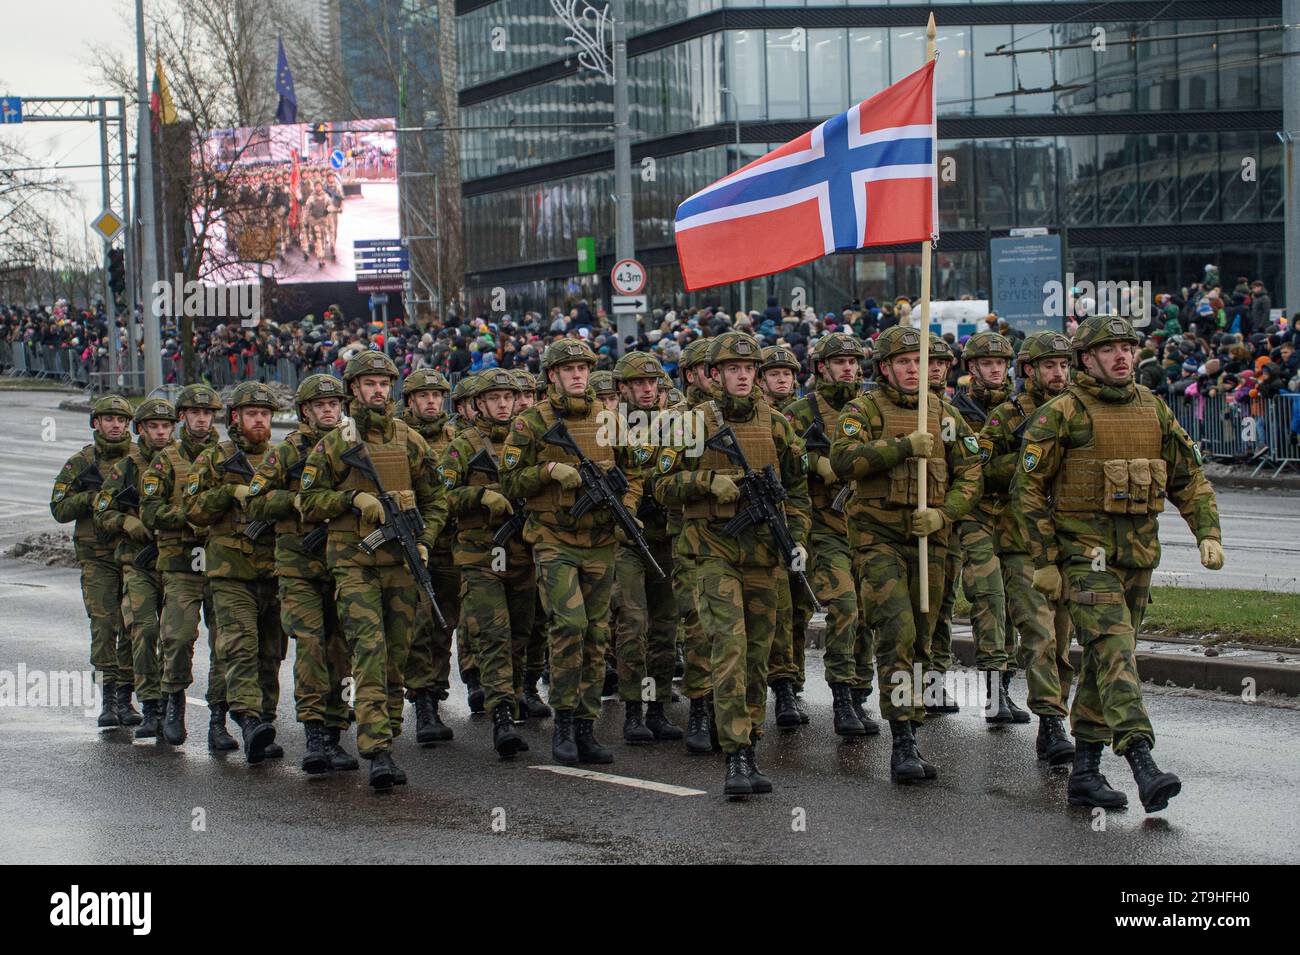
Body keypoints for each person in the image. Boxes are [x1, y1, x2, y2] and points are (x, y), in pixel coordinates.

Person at [1012, 315, 1224, 813]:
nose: (1122, 356)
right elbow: (1028, 493)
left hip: (1138, 559)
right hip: (1086, 562)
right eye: (1109, 350)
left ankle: (1085, 773)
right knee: (1115, 652)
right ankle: (1142, 759)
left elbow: (1189, 477)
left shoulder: (1152, 409)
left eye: (1127, 347)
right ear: (1087, 359)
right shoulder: (1061, 414)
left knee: (1106, 665)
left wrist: (1207, 532)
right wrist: (1044, 561)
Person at [655, 331, 810, 797]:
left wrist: (798, 539)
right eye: (733, 370)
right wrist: (706, 483)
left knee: (759, 655)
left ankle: (752, 740)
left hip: (764, 554)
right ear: (713, 375)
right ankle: (736, 755)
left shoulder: (778, 425)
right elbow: (660, 485)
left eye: (749, 370)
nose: (742, 377)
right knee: (730, 648)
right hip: (711, 551)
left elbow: (798, 491)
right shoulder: (691, 423)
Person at [830, 325, 981, 784]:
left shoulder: (945, 413)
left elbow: (971, 472)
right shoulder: (863, 410)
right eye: (903, 363)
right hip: (878, 539)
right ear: (885, 369)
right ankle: (903, 740)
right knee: (895, 629)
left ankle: (912, 720)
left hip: (929, 539)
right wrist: (901, 448)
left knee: (923, 632)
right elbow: (843, 461)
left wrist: (944, 514)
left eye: (918, 362)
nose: (913, 370)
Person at [299, 351, 449, 789]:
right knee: (370, 647)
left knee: (397, 655)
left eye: (384, 382)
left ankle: (389, 735)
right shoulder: (335, 443)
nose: (378, 390)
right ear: (354, 391)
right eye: (369, 384)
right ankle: (377, 749)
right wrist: (350, 500)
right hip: (354, 563)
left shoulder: (410, 440)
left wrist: (424, 541)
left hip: (401, 563)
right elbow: (309, 502)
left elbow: (436, 498)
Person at [500, 339, 625, 767]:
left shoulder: (608, 420)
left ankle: (586, 726)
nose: (577, 375)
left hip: (601, 541)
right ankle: (564, 722)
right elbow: (511, 481)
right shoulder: (531, 423)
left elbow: (638, 469)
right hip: (553, 539)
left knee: (596, 633)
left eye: (583, 368)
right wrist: (549, 471)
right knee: (569, 625)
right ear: (552, 375)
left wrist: (626, 503)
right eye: (568, 369)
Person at [244, 374, 358, 775]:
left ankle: (334, 731)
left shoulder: (353, 448)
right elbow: (256, 501)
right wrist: (301, 501)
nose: (329, 410)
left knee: (340, 649)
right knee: (310, 646)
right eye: (320, 405)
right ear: (306, 411)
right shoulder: (288, 452)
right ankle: (313, 733)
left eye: (334, 404)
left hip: (343, 562)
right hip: (298, 566)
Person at [981, 331, 1077, 766]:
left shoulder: (1078, 412)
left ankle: (1052, 718)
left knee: (1061, 640)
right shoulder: (1006, 416)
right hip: (1020, 541)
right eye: (1050, 366)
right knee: (1038, 633)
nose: (1059, 374)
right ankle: (1052, 722)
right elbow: (980, 471)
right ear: (1029, 370)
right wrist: (1027, 461)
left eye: (1064, 365)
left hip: (1069, 542)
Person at [781, 332, 878, 736]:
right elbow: (782, 462)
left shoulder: (871, 408)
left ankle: (860, 691)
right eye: (840, 362)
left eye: (854, 362)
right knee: (844, 606)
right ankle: (840, 695)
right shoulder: (801, 413)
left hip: (868, 525)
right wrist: (817, 463)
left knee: (869, 613)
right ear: (822, 367)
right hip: (824, 527)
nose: (849, 369)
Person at [437, 369, 537, 757]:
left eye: (508, 398)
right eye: (493, 398)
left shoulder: (528, 441)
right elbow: (440, 497)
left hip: (523, 553)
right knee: (493, 636)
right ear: (478, 404)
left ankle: (513, 697)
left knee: (520, 635)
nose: (502, 404)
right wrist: (480, 495)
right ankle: (501, 716)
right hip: (481, 556)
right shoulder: (462, 446)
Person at [186, 382, 286, 765]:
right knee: (238, 647)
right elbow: (192, 511)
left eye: (264, 415)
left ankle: (265, 719)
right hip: (230, 572)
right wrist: (228, 492)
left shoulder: (281, 458)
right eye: (251, 414)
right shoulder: (215, 459)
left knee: (271, 653)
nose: (259, 420)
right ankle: (243, 719)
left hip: (274, 570)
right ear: (236, 418)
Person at [142, 384, 233, 750]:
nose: (201, 419)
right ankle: (174, 702)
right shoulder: (166, 460)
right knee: (177, 638)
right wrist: (188, 515)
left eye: (208, 413)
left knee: (225, 644)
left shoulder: (226, 457)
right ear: (182, 417)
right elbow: (149, 511)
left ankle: (218, 719)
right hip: (181, 564)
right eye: (195, 413)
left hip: (223, 563)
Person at [949, 330, 1025, 723]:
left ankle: (1007, 688)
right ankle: (995, 691)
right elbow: (970, 468)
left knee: (1015, 603)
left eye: (1001, 363)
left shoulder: (1020, 409)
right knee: (988, 599)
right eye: (987, 364)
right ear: (972, 368)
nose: (996, 370)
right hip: (975, 513)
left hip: (1014, 517)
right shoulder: (956, 413)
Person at [50, 394, 138, 729]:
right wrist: (91, 499)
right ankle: (108, 697)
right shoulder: (81, 463)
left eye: (121, 420)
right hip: (97, 556)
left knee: (135, 625)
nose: (115, 425)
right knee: (104, 625)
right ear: (96, 423)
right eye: (108, 419)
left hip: (133, 553)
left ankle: (127, 696)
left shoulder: (140, 459)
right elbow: (58, 508)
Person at [93, 398, 177, 740]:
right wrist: (125, 520)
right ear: (140, 429)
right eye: (153, 426)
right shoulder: (125, 468)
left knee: (177, 636)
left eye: (165, 426)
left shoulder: (184, 462)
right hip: (138, 562)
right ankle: (149, 704)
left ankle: (175, 706)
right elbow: (102, 513)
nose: (160, 432)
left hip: (176, 561)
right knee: (142, 629)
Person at [610, 351, 681, 743]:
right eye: (639, 383)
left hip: (665, 536)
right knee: (633, 623)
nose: (648, 390)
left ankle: (657, 707)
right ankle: (633, 710)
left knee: (665, 627)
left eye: (653, 383)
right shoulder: (611, 428)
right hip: (627, 541)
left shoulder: (677, 425)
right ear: (623, 388)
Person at [397, 368, 460, 743]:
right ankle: (421, 700)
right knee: (418, 621)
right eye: (424, 396)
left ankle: (435, 687)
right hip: (411, 543)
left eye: (437, 395)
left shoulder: (457, 440)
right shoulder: (398, 438)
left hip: (450, 544)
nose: (432, 402)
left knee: (443, 621)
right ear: (410, 401)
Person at [924, 335, 962, 712]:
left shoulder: (949, 413)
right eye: (928, 362)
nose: (935, 369)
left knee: (943, 604)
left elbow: (969, 468)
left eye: (941, 363)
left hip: (946, 524)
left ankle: (934, 681)